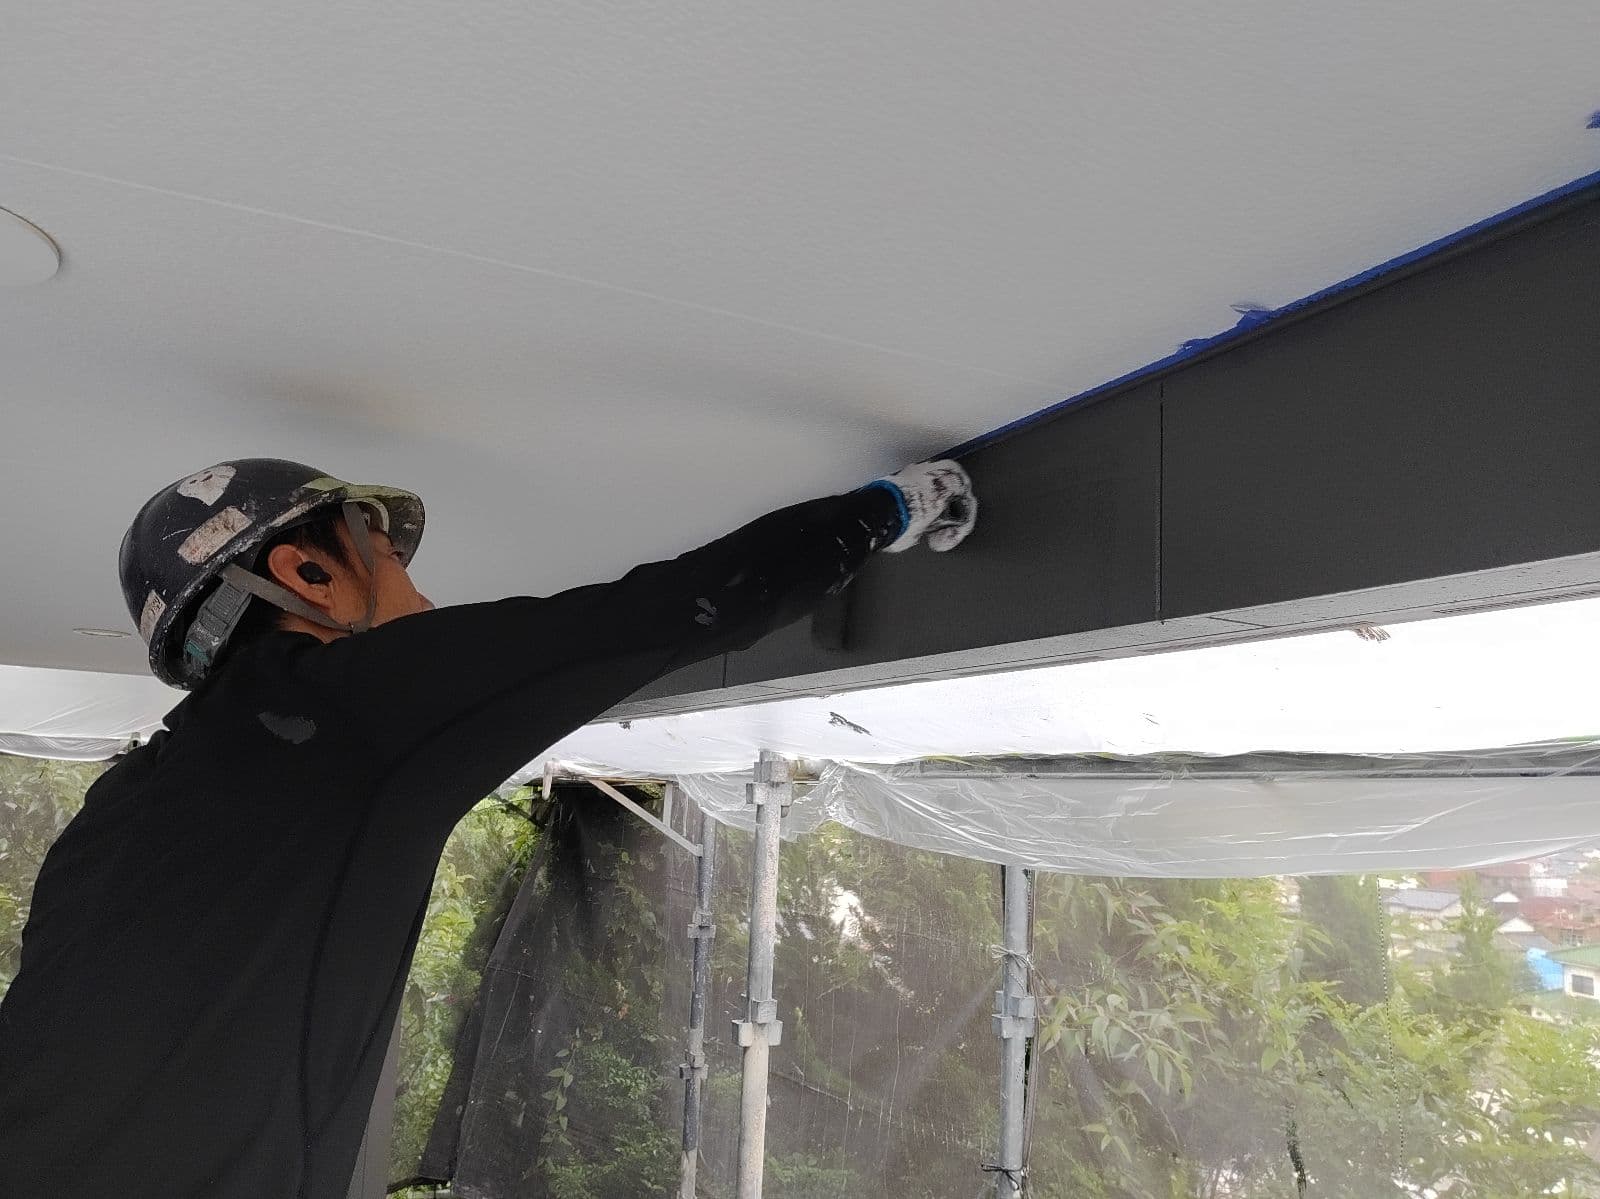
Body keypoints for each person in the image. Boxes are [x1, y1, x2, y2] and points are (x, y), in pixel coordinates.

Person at [0, 456, 977, 1196]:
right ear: (306, 569)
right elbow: (663, 612)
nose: (424, 599)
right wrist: (886, 507)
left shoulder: (120, 802)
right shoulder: (342, 708)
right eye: (389, 558)